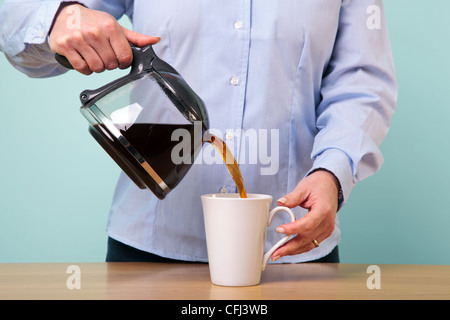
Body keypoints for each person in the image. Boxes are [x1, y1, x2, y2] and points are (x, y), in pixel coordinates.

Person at [0, 0, 397, 263]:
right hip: (149, 253)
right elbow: (17, 20)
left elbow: (362, 81)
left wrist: (333, 173)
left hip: (288, 250)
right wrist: (60, 17)